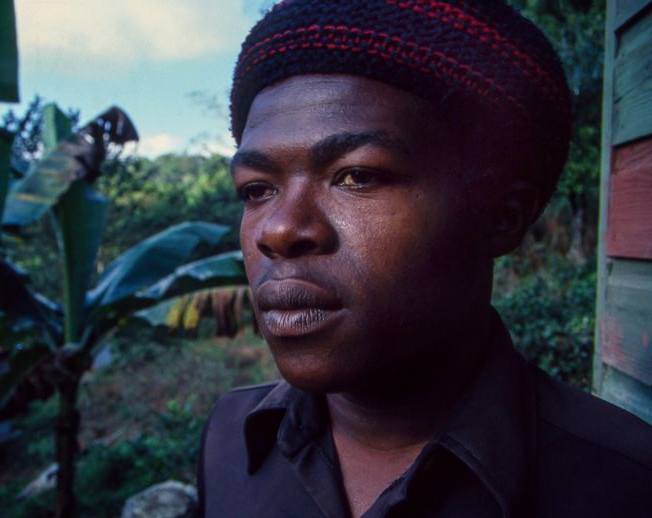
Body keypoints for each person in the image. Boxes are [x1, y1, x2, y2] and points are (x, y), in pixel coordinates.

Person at [197, 1, 652, 517]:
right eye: (257, 189)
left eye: (357, 176)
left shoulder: (628, 484)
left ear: (502, 216)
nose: (279, 230)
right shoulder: (230, 439)